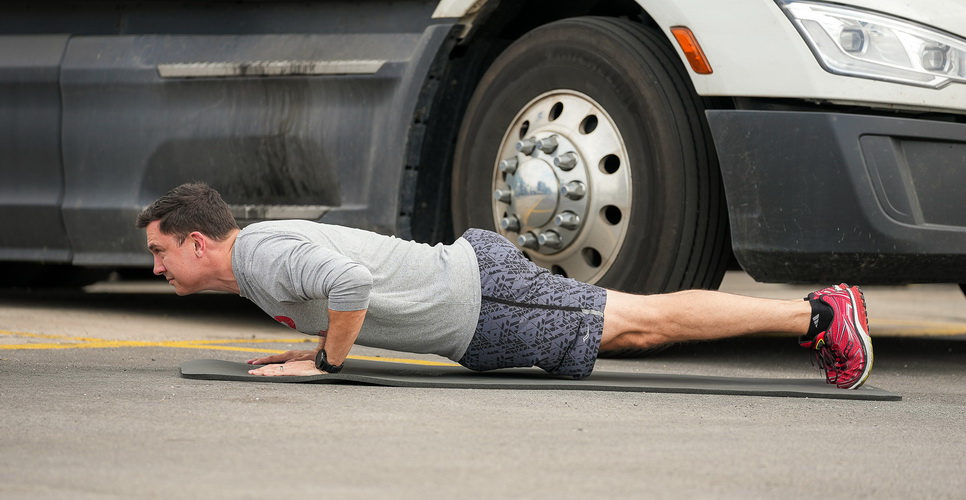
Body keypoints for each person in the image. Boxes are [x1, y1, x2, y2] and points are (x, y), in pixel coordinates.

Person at [136, 183, 873, 389]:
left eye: (160, 252)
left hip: (482, 299)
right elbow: (343, 293)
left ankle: (817, 316)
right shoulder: (258, 263)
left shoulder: (259, 256)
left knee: (644, 323)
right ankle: (813, 316)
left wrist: (329, 361)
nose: (157, 267)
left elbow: (351, 284)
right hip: (478, 306)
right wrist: (315, 352)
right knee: (638, 323)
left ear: (196, 240)